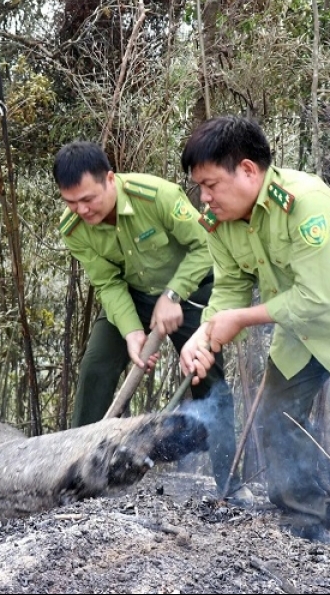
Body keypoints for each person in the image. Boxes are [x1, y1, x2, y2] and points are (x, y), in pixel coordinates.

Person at [177, 116, 330, 544]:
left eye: (211, 184)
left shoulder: (304, 202)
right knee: (277, 413)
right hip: (300, 329)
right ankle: (303, 520)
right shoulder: (218, 221)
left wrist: (240, 319)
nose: (205, 197)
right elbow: (230, 286)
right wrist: (205, 332)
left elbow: (317, 296)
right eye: (200, 187)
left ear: (248, 170)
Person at [54, 141, 238, 495]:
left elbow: (206, 246)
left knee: (206, 376)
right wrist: (131, 332)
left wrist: (173, 294)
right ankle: (78, 476)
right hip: (131, 296)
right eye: (71, 202)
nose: (82, 210)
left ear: (110, 179)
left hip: (189, 291)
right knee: (95, 367)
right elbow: (107, 283)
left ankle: (230, 483)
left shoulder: (156, 197)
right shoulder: (73, 228)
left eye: (88, 199)